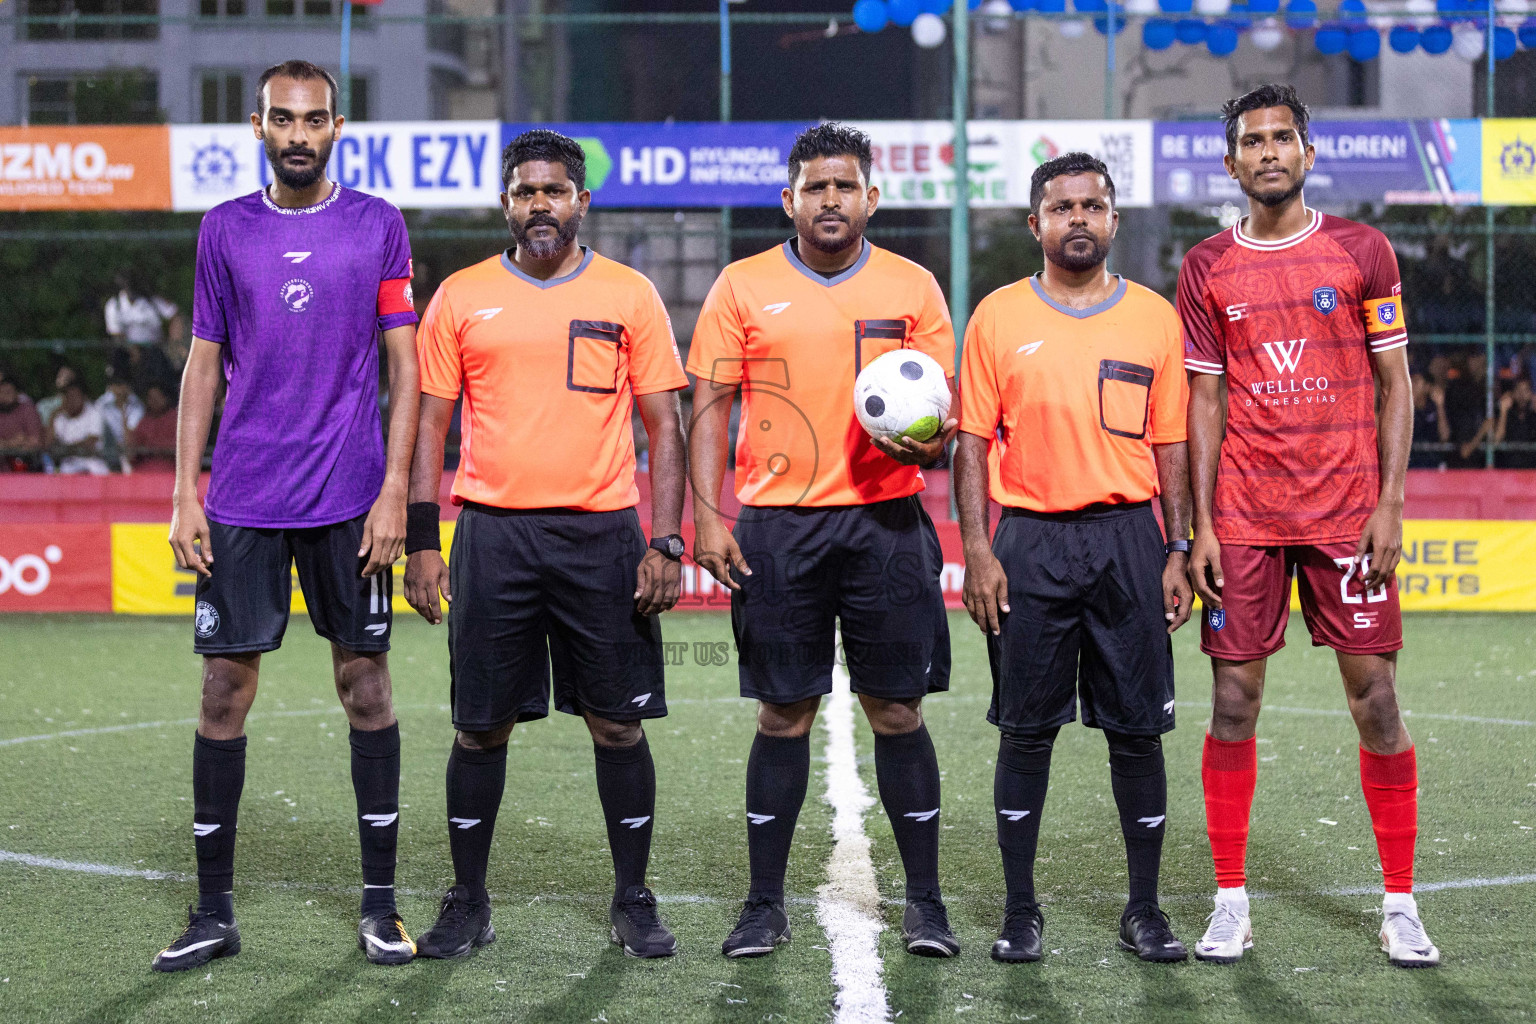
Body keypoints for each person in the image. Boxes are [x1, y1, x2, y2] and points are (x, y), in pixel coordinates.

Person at [152, 60, 421, 972]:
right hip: (244, 501)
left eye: (314, 120)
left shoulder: (378, 225)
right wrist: (186, 487)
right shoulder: (224, 230)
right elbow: (202, 363)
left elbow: (406, 368)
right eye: (283, 119)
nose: (299, 134)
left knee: (368, 689)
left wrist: (394, 491)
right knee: (223, 693)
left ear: (337, 127)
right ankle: (213, 911)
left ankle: (380, 908)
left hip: (349, 498)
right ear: (257, 126)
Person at [403, 129, 689, 961]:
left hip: (603, 535)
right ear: (506, 203)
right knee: (479, 728)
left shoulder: (631, 293)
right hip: (493, 534)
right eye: (526, 192)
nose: (540, 205)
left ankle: (633, 897)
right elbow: (430, 424)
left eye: (555, 191)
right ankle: (468, 900)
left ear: (581, 202)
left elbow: (664, 425)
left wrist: (665, 540)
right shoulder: (460, 296)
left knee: (619, 727)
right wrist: (426, 541)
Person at [1178, 83, 1437, 968]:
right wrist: (1202, 524)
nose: (1269, 152)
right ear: (1232, 162)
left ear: (1308, 152)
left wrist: (1392, 502)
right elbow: (1204, 395)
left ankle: (1400, 904)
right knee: (1233, 703)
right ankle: (1230, 901)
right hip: (1246, 518)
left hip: (1347, 517)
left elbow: (1395, 383)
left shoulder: (1363, 251)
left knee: (1377, 702)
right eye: (1252, 141)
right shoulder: (1207, 264)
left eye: (1283, 137)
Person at [688, 123, 960, 960]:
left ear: (871, 198)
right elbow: (708, 406)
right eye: (815, 187)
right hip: (779, 529)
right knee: (782, 712)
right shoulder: (741, 285)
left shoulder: (914, 286)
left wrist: (935, 445)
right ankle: (763, 904)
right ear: (790, 200)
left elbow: (948, 420)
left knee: (897, 709)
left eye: (846, 186)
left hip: (886, 524)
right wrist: (707, 516)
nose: (831, 200)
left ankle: (925, 903)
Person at [956, 153, 1193, 966]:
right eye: (1062, 207)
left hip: (1130, 539)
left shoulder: (1155, 319)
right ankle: (1021, 913)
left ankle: (1145, 911)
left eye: (1093, 205)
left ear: (1114, 219)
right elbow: (971, 443)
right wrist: (978, 548)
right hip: (1029, 540)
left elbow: (1172, 445)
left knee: (1137, 733)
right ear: (1037, 224)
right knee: (1025, 733)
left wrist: (1179, 546)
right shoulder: (994, 317)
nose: (1079, 218)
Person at [47, 382, 111, 476]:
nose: (71, 401)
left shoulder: (94, 412)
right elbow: (48, 443)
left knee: (99, 470)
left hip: (92, 459)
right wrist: (52, 417)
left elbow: (91, 442)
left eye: (74, 397)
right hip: (69, 462)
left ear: (83, 398)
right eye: (68, 397)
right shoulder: (60, 417)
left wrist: (66, 448)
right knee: (61, 471)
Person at [96, 355, 146, 473]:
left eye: (121, 384)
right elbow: (99, 435)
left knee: (129, 467)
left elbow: (131, 442)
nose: (118, 388)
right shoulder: (101, 404)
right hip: (103, 455)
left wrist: (123, 408)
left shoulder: (137, 407)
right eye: (115, 384)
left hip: (128, 456)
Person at [129, 383, 178, 472]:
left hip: (170, 468)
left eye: (157, 397)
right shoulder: (144, 421)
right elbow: (135, 446)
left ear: (165, 398)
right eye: (151, 398)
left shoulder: (176, 418)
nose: (154, 401)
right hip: (144, 469)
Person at [0, 374, 45, 472]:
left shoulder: (27, 410)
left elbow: (34, 441)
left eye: (8, 392)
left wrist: (6, 444)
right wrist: (13, 443)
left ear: (17, 393)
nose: (4, 396)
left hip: (28, 470)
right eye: (1, 393)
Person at [1408, 371, 1450, 469]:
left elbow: (1444, 436)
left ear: (1427, 387)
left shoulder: (1434, 408)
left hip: (1433, 463)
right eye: (1411, 380)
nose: (1412, 385)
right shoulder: (1403, 409)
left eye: (1416, 381)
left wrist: (1440, 405)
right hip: (1411, 464)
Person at [1495, 377, 1536, 469]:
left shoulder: (1533, 416)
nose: (1521, 395)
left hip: (1531, 471)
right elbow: (1496, 441)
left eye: (1525, 390)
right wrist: (1503, 411)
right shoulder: (1507, 415)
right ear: (1513, 394)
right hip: (1509, 470)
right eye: (1518, 390)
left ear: (1530, 394)